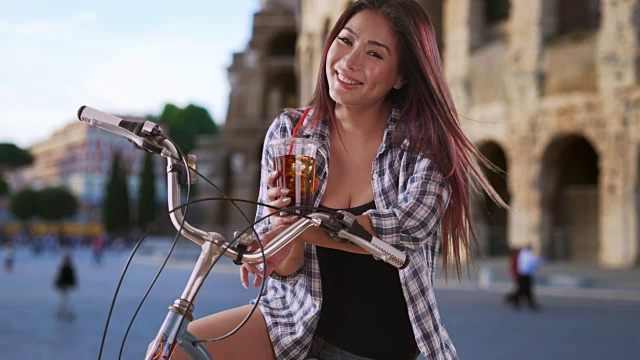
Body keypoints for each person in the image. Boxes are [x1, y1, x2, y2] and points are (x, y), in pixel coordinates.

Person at [176, 1, 504, 359]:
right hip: (289, 324)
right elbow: (286, 270)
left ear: (402, 76)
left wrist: (298, 228)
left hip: (375, 344)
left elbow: (405, 232)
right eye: (345, 40)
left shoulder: (424, 146)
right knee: (172, 349)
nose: (349, 61)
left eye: (375, 54)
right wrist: (284, 230)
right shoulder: (291, 130)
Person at [513, 245, 543, 311]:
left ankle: (522, 301)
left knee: (525, 290)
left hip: (525, 274)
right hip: (525, 274)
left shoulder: (523, 254)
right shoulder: (526, 254)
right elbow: (531, 263)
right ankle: (517, 300)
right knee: (524, 289)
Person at [54, 253, 77, 321]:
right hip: (63, 285)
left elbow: (72, 278)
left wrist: (72, 284)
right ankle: (62, 311)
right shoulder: (64, 268)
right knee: (63, 299)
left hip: (66, 285)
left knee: (65, 299)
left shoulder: (69, 268)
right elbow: (60, 277)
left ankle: (64, 311)